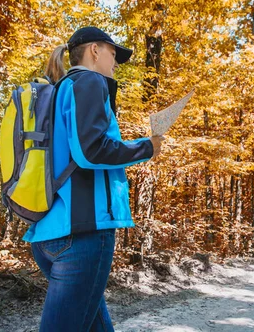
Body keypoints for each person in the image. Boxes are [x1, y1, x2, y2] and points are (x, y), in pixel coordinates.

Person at [23, 26, 163, 331]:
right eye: (113, 54)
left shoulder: (60, 88)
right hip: (83, 235)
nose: (115, 63)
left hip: (49, 233)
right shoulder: (89, 80)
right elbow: (91, 150)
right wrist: (147, 146)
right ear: (95, 50)